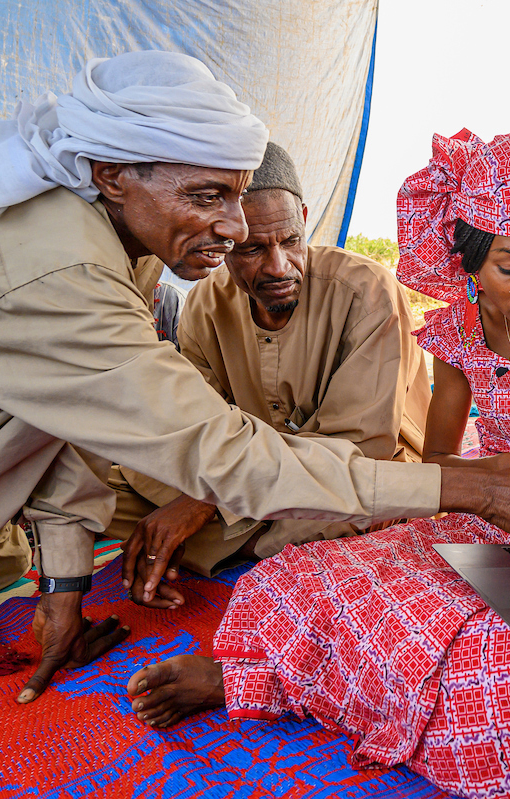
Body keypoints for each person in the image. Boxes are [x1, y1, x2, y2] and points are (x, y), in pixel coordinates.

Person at [0, 53, 510, 707]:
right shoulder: (65, 271)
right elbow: (208, 450)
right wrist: (481, 486)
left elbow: (67, 415)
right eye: (208, 198)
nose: (232, 233)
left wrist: (62, 586)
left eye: (239, 199)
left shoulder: (123, 238)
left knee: (351, 529)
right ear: (113, 175)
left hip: (295, 483)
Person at [124, 121, 510, 799]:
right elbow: (439, 464)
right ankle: (254, 673)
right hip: (486, 512)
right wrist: (496, 487)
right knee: (296, 575)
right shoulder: (458, 330)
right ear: (472, 262)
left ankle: (285, 677)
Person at [105, 142, 432, 586]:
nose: (279, 267)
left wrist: (206, 504)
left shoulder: (367, 290)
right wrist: (213, 491)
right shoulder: (204, 304)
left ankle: (214, 542)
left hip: (348, 473)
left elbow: (359, 447)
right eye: (252, 249)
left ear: (304, 217)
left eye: (291, 241)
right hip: (244, 474)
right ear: (224, 240)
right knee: (107, 489)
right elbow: (198, 431)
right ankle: (233, 539)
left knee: (359, 508)